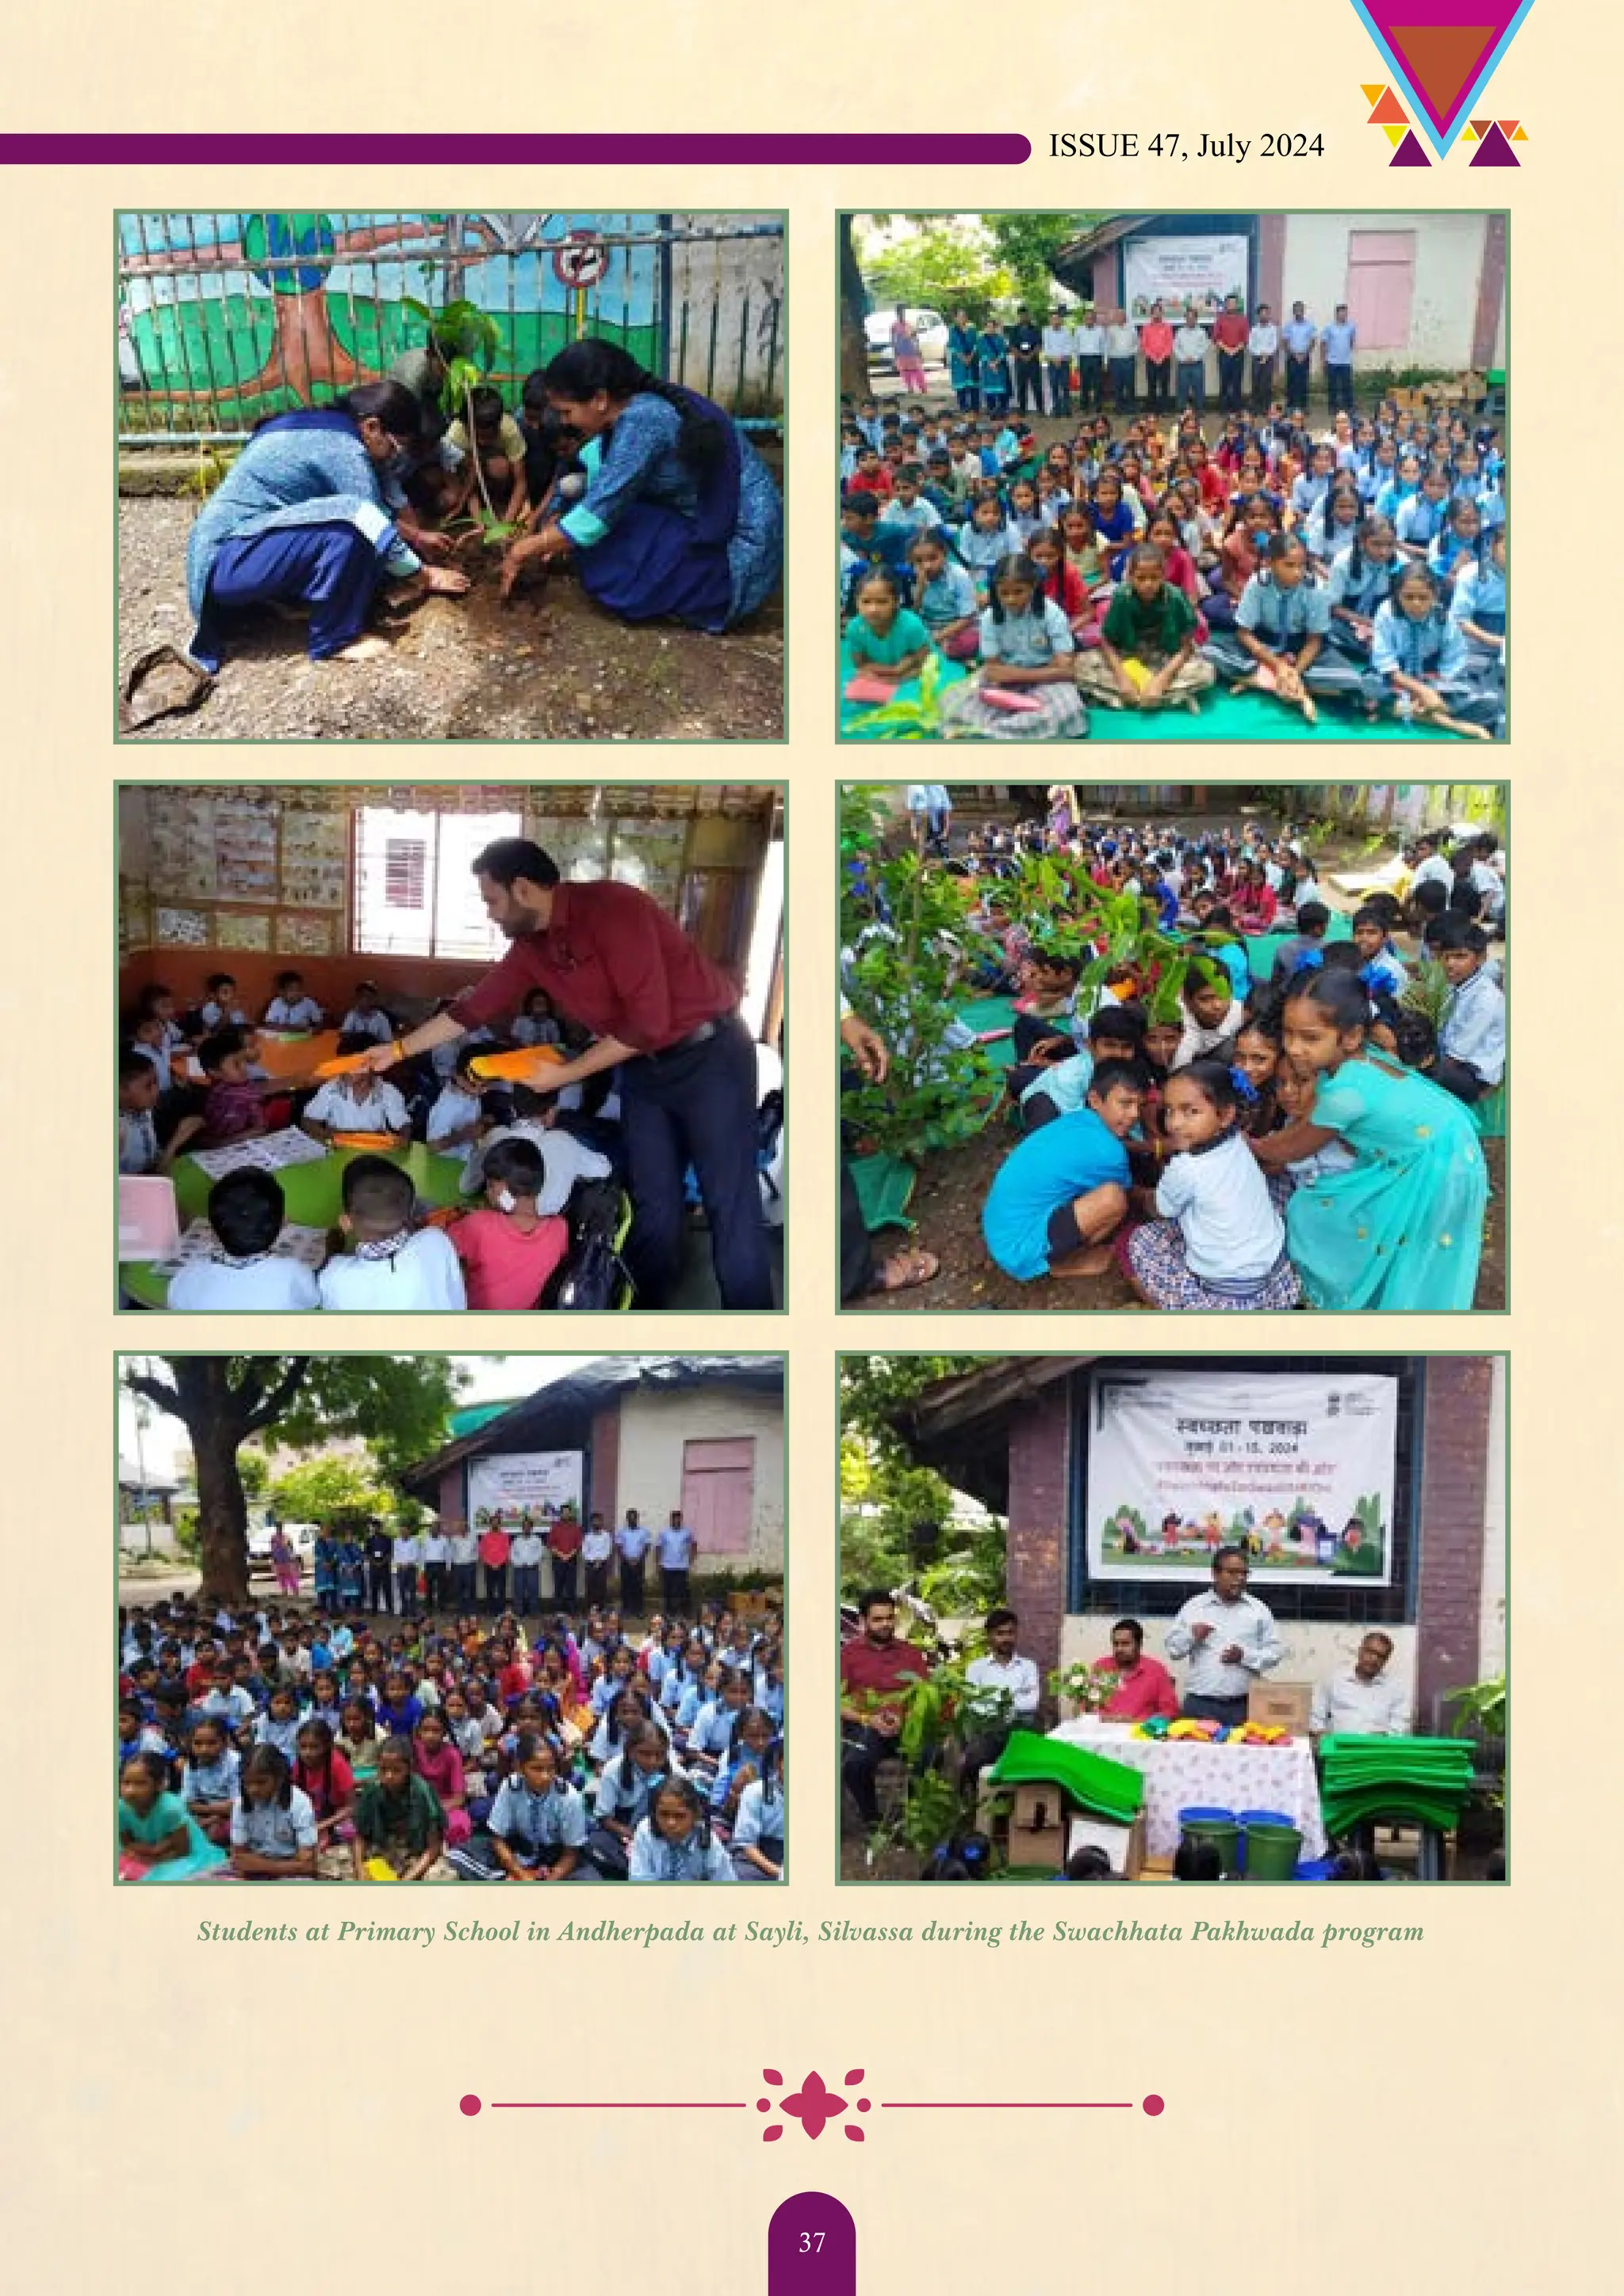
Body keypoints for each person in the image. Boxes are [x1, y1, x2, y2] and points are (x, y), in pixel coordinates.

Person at [355, 836, 771, 1311]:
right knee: (655, 1206)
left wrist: (566, 1074)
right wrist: (397, 1049)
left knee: (728, 1203)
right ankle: (651, 1319)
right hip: (642, 1068)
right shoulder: (534, 947)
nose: (490, 913)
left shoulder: (615, 910)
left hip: (710, 1056)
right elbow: (473, 1009)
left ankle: (755, 1331)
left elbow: (649, 1022)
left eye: (492, 900)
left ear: (525, 888)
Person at [183, 378, 472, 670]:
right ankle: (334, 637)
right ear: (372, 427)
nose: (398, 455)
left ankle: (289, 600)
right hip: (229, 563)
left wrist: (418, 538)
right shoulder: (345, 451)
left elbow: (385, 498)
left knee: (358, 529)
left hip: (235, 554)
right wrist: (424, 575)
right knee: (351, 530)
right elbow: (369, 519)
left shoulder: (329, 427)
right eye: (399, 446)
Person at [497, 339, 781, 631]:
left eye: (568, 412)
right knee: (585, 524)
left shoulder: (642, 422)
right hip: (712, 518)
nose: (566, 422)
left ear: (600, 399)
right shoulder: (634, 410)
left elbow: (598, 514)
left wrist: (524, 549)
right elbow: (601, 489)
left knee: (602, 553)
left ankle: (698, 597)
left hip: (741, 554)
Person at [1265, 968, 1489, 1309]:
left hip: (1441, 1165)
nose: (1294, 1049)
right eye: (1288, 1035)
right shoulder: (1360, 1060)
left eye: (1309, 1038)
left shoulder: (1346, 1092)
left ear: (1351, 1036)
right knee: (1397, 1238)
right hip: (1441, 1148)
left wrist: (1242, 1144)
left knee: (1416, 1251)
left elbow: (1293, 1147)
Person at [1122, 1062, 1300, 1311]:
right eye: (1169, 1111)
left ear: (1226, 1114)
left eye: (1190, 1112)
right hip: (1271, 1271)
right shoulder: (1238, 1140)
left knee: (1142, 1240)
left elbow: (1160, 1209)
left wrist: (1136, 1195)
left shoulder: (1186, 1168)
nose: (1174, 1123)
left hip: (1230, 1291)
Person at [982, 1059, 1142, 1284]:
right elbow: (1131, 1193)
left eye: (1138, 1105)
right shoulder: (1110, 1152)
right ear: (1095, 1100)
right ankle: (1061, 1262)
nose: (1134, 1114)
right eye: (1125, 1104)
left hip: (999, 1227)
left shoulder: (1076, 1119)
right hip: (1018, 1249)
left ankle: (1055, 1246)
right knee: (1113, 1199)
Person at [316, 1157, 467, 1311]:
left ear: (346, 1223)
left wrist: (331, 1252)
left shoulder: (333, 1278)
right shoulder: (436, 1241)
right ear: (410, 1213)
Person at [840, 1590, 933, 1827]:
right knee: (854, 1765)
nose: (885, 1624)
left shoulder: (910, 1654)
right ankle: (872, 1819)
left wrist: (907, 1718)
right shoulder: (848, 1655)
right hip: (865, 1725)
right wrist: (868, 1719)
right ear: (863, 1622)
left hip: (905, 1726)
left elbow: (926, 1695)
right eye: (878, 1619)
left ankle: (907, 1818)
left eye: (889, 1618)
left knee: (930, 1755)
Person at [166, 1169, 320, 1311]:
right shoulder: (294, 1273)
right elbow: (312, 1301)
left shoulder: (188, 1275)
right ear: (283, 1224)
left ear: (213, 1233)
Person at [1165, 1547, 1282, 1728]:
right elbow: (1173, 1649)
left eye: (1244, 1573)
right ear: (1215, 1574)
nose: (1240, 1578)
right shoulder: (1195, 1607)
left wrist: (1245, 1656)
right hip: (1199, 1705)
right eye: (1233, 1572)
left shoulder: (1258, 1610)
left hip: (1245, 1705)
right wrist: (1191, 1636)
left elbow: (1275, 1654)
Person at [450, 1135, 569, 1310]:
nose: (486, 1192)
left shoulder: (479, 1225)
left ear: (505, 1189)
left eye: (490, 1185)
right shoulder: (560, 1228)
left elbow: (444, 1245)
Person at [961, 1608, 1041, 1792]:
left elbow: (1032, 1702)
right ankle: (979, 1805)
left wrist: (993, 1699)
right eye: (1000, 1633)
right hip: (987, 1728)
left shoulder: (1028, 1667)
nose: (1006, 1639)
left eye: (1011, 1633)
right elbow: (973, 1703)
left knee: (1031, 1761)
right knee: (976, 1760)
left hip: (1019, 1727)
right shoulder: (976, 1668)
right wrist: (1010, 1700)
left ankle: (1018, 1808)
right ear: (989, 1636)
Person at [118, 1752, 228, 1881]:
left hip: (182, 1853)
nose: (130, 1791)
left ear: (159, 1785)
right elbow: (126, 1843)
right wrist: (151, 1850)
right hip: (147, 1849)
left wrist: (155, 1859)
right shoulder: (121, 1808)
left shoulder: (171, 1809)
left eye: (140, 1784)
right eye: (126, 1783)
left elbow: (183, 1851)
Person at [1433, 919, 1506, 1101]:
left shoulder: (1486, 998)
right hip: (1455, 1059)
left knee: (1424, 1076)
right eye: (1446, 956)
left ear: (1480, 958)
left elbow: (1458, 1054)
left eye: (1460, 957)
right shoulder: (1457, 986)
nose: (1450, 964)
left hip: (1475, 1073)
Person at [630, 1774, 737, 1881]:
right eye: (664, 1814)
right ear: (654, 1814)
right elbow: (639, 1879)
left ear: (696, 1815)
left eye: (680, 1815)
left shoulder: (707, 1840)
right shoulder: (645, 1831)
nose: (671, 1823)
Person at [1311, 1633, 1410, 1739]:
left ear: (1386, 1660)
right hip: (1338, 1749)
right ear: (1360, 1651)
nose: (1374, 1659)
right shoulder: (1333, 1680)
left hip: (1377, 1749)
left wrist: (1386, 1735)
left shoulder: (1395, 1688)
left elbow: (1401, 1725)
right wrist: (1322, 1738)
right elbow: (1317, 1719)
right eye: (1370, 1652)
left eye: (1381, 1656)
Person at [1091, 1620, 1181, 1720]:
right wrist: (1106, 1718)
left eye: (1125, 1644)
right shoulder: (1101, 1667)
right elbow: (1087, 1707)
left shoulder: (1156, 1670)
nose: (1119, 1649)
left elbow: (1170, 1711)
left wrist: (1138, 1721)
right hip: (1103, 1730)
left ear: (1139, 1645)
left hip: (1141, 1731)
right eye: (1116, 1644)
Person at [1212, 294, 1250, 413]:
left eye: (1234, 303)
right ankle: (1223, 408)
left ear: (1237, 305)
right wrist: (1227, 349)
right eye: (1229, 303)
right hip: (1224, 354)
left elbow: (1245, 339)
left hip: (1238, 354)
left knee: (1237, 382)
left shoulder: (1243, 320)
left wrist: (1235, 350)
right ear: (1226, 305)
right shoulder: (1220, 319)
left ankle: (1236, 409)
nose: (1231, 305)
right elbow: (1216, 338)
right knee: (1224, 382)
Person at [658, 1510, 696, 1616]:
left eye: (679, 1519)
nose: (677, 1521)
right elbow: (659, 1547)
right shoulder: (664, 1533)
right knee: (668, 1589)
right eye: (674, 1519)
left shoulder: (687, 1532)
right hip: (667, 1565)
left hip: (682, 1566)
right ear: (671, 1520)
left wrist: (692, 1558)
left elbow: (693, 1544)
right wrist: (659, 1562)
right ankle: (670, 1610)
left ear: (681, 1520)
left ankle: (686, 1610)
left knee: (683, 1589)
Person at [1173, 304, 1209, 411]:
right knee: (1182, 389)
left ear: (1196, 319)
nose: (1190, 320)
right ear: (1185, 319)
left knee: (1198, 389)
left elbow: (1204, 346)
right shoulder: (1180, 332)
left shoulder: (1202, 332)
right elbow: (1175, 347)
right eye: (1188, 318)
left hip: (1196, 364)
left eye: (1192, 317)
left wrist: (1194, 357)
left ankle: (1200, 410)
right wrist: (1183, 358)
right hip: (1183, 364)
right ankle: (1182, 410)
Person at [1282, 302, 1316, 415]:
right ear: (1293, 312)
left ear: (1303, 311)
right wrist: (1294, 355)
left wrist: (1305, 354)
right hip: (1292, 358)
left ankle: (1303, 406)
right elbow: (1285, 342)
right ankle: (1290, 406)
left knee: (1304, 382)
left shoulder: (1310, 326)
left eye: (1300, 310)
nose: (1298, 312)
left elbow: (1312, 342)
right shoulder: (1288, 326)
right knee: (1291, 382)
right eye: (1296, 310)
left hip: (1305, 357)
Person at [615, 1508, 650, 1617]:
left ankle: (638, 1610)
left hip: (639, 1563)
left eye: (634, 1517)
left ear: (637, 1518)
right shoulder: (622, 1532)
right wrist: (627, 1560)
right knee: (625, 1586)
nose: (632, 1519)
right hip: (626, 1563)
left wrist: (639, 1559)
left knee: (638, 1586)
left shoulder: (644, 1532)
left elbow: (647, 1547)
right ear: (627, 1519)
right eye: (630, 1517)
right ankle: (626, 1610)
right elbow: (619, 1548)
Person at [1139, 301, 1174, 412]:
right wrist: (1154, 358)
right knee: (1152, 385)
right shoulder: (1146, 327)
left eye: (1159, 312)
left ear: (1162, 313)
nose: (1157, 314)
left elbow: (1169, 344)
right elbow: (1144, 345)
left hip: (1165, 360)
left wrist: (1162, 357)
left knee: (1164, 385)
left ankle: (1165, 409)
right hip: (1151, 360)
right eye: (1154, 312)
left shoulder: (1167, 327)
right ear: (1151, 313)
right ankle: (1152, 410)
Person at [548, 1507, 584, 1609]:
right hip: (558, 1561)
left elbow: (578, 1545)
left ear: (570, 1514)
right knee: (558, 1587)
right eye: (564, 1513)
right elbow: (551, 1544)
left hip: (571, 1561)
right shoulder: (555, 1528)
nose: (566, 1515)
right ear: (561, 1514)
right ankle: (557, 1611)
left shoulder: (576, 1528)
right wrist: (561, 1555)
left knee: (571, 1587)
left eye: (568, 1513)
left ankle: (571, 1611)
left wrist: (569, 1555)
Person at [1042, 308, 1075, 415]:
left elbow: (1069, 346)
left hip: (1064, 361)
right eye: (1053, 319)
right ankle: (1057, 409)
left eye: (1057, 319)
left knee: (1065, 386)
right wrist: (1054, 359)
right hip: (1052, 362)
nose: (1055, 321)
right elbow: (1047, 347)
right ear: (1050, 321)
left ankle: (1066, 409)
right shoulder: (1046, 331)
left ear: (1061, 320)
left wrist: (1060, 358)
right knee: (1054, 386)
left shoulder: (1066, 331)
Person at [947, 311, 982, 411]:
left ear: (967, 318)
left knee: (973, 386)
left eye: (964, 316)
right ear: (956, 318)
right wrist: (962, 358)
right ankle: (963, 407)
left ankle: (975, 408)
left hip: (972, 361)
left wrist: (970, 357)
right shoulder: (953, 330)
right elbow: (952, 346)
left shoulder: (972, 330)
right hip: (959, 362)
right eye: (960, 317)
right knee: (961, 386)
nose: (962, 319)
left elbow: (976, 345)